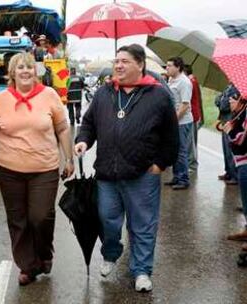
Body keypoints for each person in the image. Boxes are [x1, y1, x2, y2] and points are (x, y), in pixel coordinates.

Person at [74, 44, 179, 292]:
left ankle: (142, 270)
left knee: (142, 225)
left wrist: (160, 164)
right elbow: (88, 124)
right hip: (107, 175)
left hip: (142, 174)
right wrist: (83, 140)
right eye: (116, 60)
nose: (118, 65)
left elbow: (172, 136)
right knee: (107, 220)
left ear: (140, 64)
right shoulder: (104, 93)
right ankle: (111, 252)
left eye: (125, 61)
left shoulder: (159, 95)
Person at [0, 52, 74, 286]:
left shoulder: (49, 95)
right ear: (12, 72)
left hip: (44, 167)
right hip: (8, 168)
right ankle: (28, 266)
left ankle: (44, 254)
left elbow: (62, 128)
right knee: (17, 219)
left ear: (36, 71)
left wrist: (68, 158)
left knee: (41, 216)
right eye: (20, 67)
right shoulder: (0, 100)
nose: (25, 71)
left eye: (29, 67)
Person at [165, 57, 193, 190]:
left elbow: (185, 105)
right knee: (175, 150)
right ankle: (177, 176)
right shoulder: (171, 80)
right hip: (175, 121)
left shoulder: (184, 82)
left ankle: (183, 179)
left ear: (178, 67)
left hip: (182, 122)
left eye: (169, 66)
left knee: (181, 151)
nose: (167, 68)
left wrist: (173, 121)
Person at [223, 90, 247, 243]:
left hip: (245, 161)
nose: (230, 102)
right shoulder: (241, 114)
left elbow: (241, 138)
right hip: (241, 161)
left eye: (233, 99)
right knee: (245, 199)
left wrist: (230, 131)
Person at [215, 84, 239, 185]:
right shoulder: (228, 87)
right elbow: (217, 100)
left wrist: (221, 100)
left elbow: (225, 105)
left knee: (230, 149)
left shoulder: (236, 88)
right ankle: (228, 172)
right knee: (225, 148)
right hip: (225, 120)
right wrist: (221, 100)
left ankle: (234, 175)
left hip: (230, 120)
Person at [184, 65, 203, 173]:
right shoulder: (192, 80)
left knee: (190, 142)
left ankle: (192, 164)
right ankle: (190, 163)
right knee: (190, 141)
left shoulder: (191, 81)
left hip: (192, 114)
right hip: (193, 114)